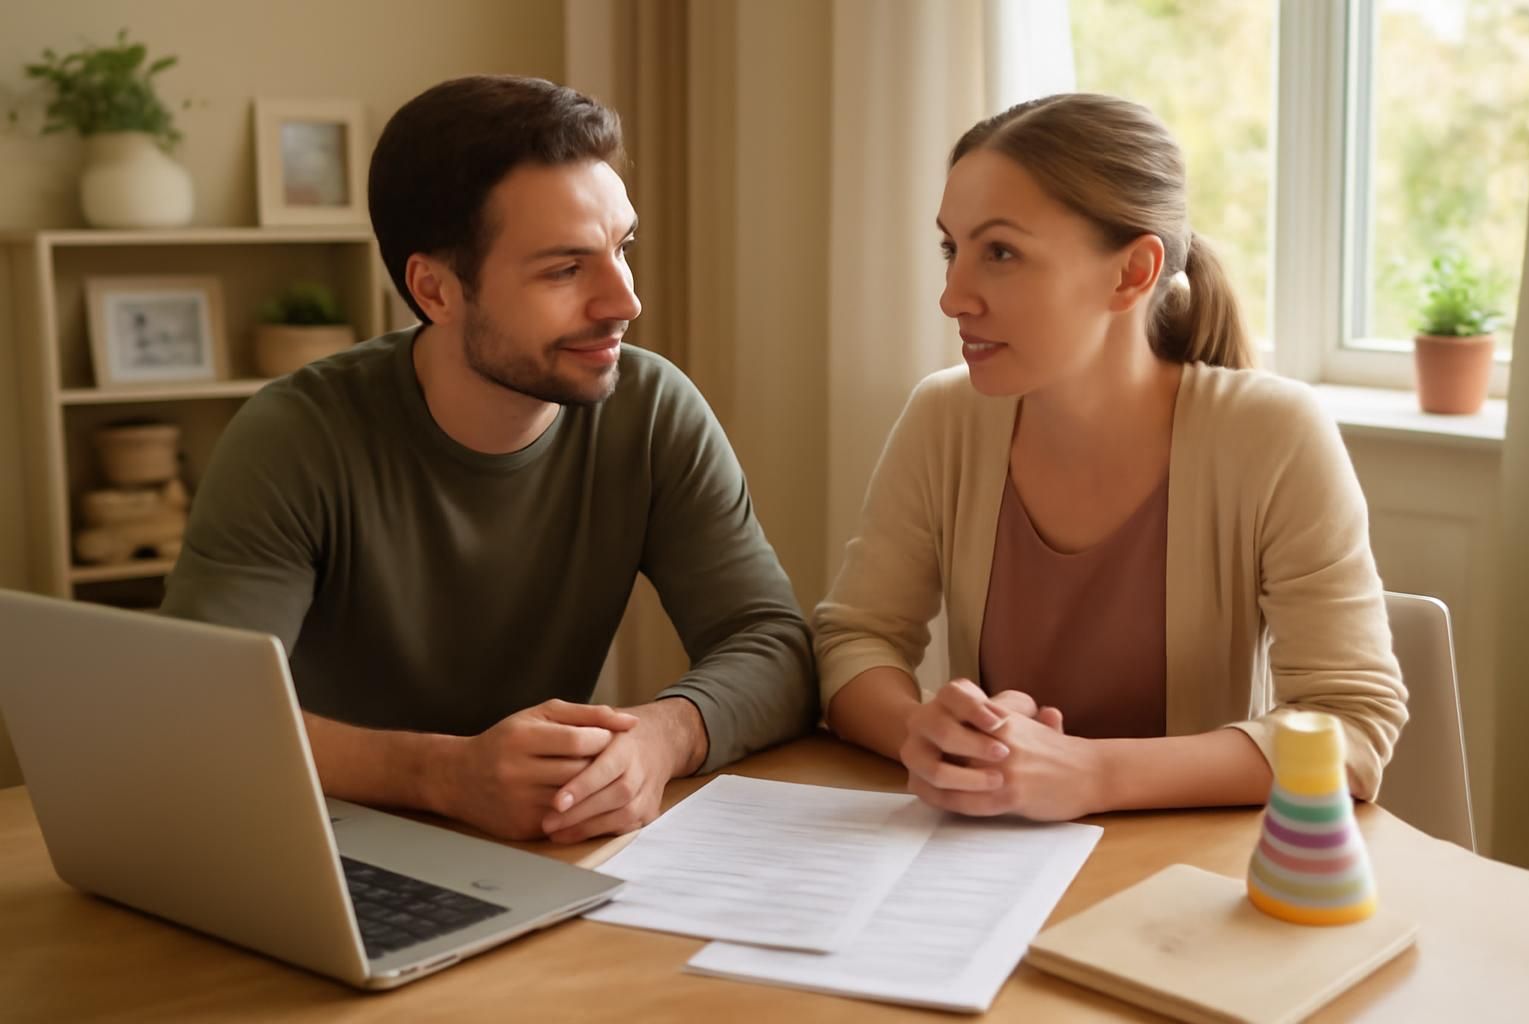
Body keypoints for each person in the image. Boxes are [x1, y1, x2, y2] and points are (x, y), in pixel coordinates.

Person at [161, 76, 815, 843]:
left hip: (531, 850)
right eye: (565, 270)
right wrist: (442, 773)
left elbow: (774, 648)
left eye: (621, 248)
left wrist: (662, 736)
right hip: (317, 843)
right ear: (434, 289)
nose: (624, 300)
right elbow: (200, 713)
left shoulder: (651, 412)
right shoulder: (294, 438)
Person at [815, 93, 1407, 822]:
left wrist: (1093, 773)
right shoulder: (945, 418)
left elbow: (1350, 724)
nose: (953, 296)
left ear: (1131, 273)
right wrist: (924, 735)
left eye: (999, 252)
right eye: (952, 249)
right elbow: (854, 637)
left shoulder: (1274, 435)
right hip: (987, 870)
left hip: (1192, 889)